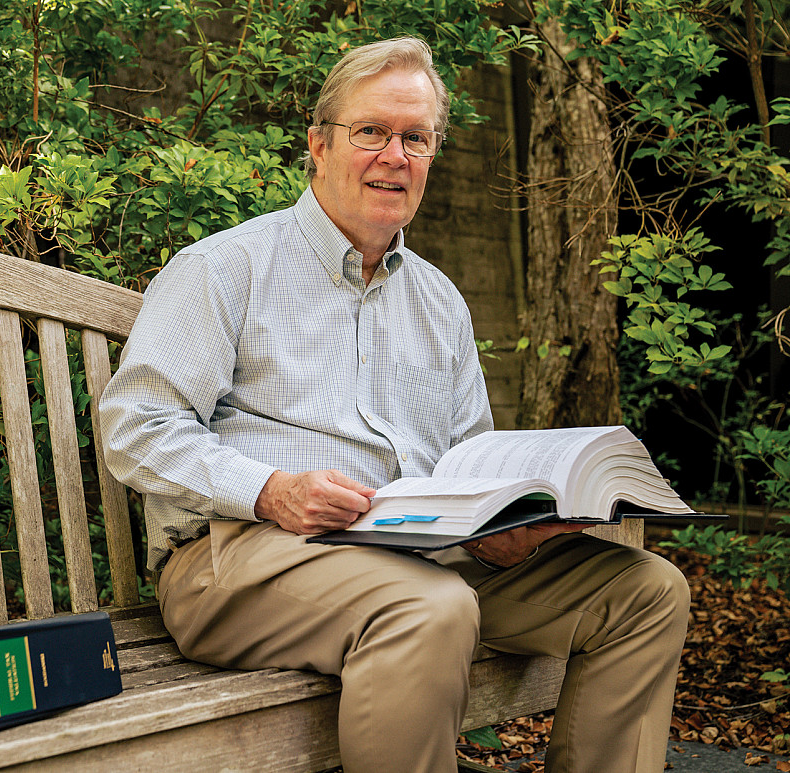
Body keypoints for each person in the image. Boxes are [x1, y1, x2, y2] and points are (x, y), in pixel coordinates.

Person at [99, 36, 689, 773]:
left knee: (646, 589)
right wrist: (270, 489)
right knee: (429, 608)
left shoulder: (439, 300)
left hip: (420, 557)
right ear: (318, 145)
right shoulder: (225, 269)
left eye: (416, 138)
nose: (395, 155)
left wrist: (506, 522)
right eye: (371, 131)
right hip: (242, 561)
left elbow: (469, 453)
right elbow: (136, 426)